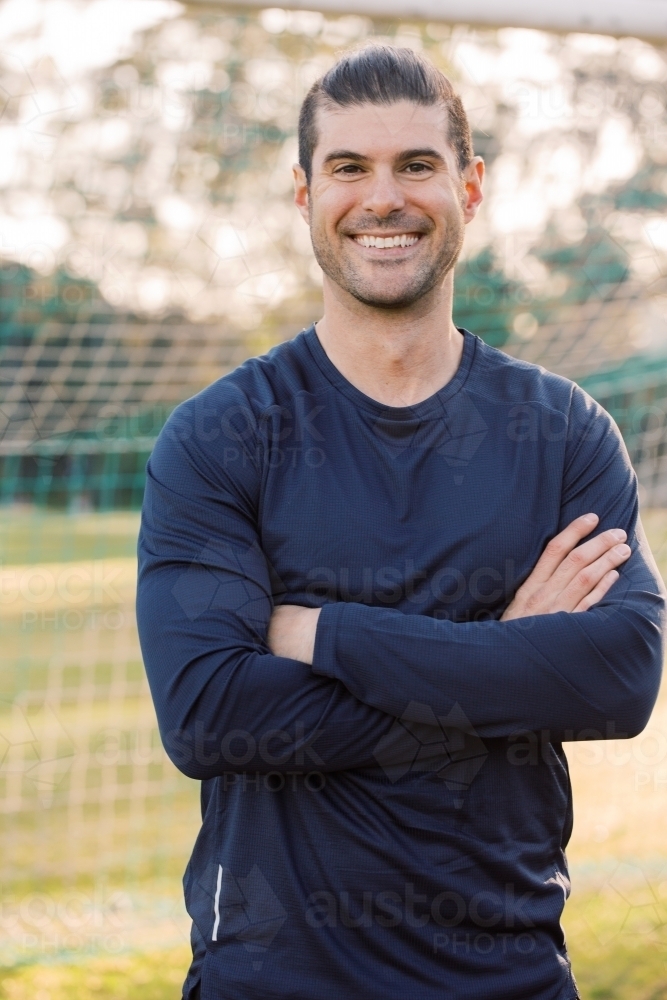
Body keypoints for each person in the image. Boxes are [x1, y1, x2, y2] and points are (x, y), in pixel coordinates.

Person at [136, 44, 665, 1000]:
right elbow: (211, 716)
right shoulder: (221, 434)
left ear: (468, 185)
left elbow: (618, 681)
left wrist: (326, 634)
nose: (383, 198)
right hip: (275, 975)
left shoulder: (560, 430)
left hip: (510, 971)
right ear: (304, 193)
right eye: (349, 168)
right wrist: (506, 658)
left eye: (415, 165)